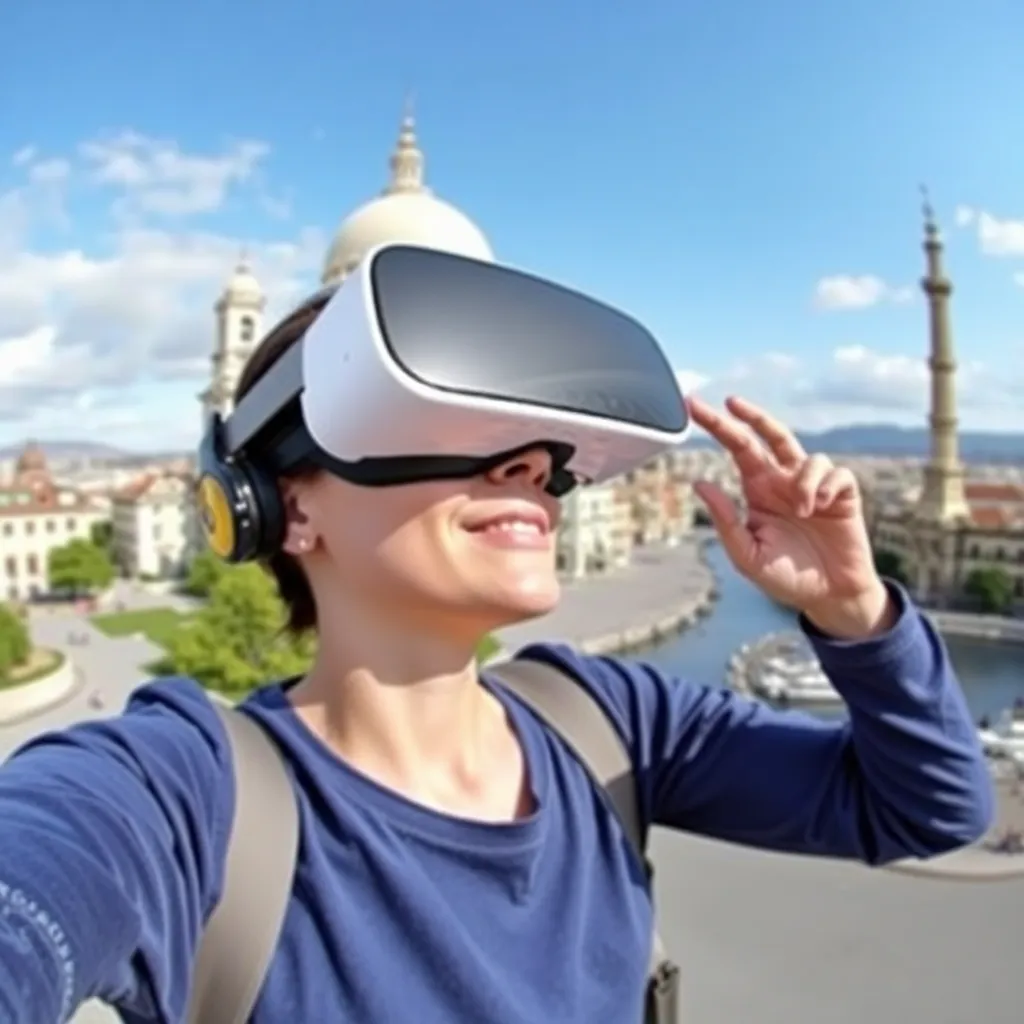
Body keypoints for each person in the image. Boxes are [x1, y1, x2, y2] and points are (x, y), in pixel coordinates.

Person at [0, 263, 992, 1024]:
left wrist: (856, 614)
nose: (530, 464)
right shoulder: (178, 795)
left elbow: (932, 804)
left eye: (538, 439)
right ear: (281, 505)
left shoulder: (608, 722)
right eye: (440, 415)